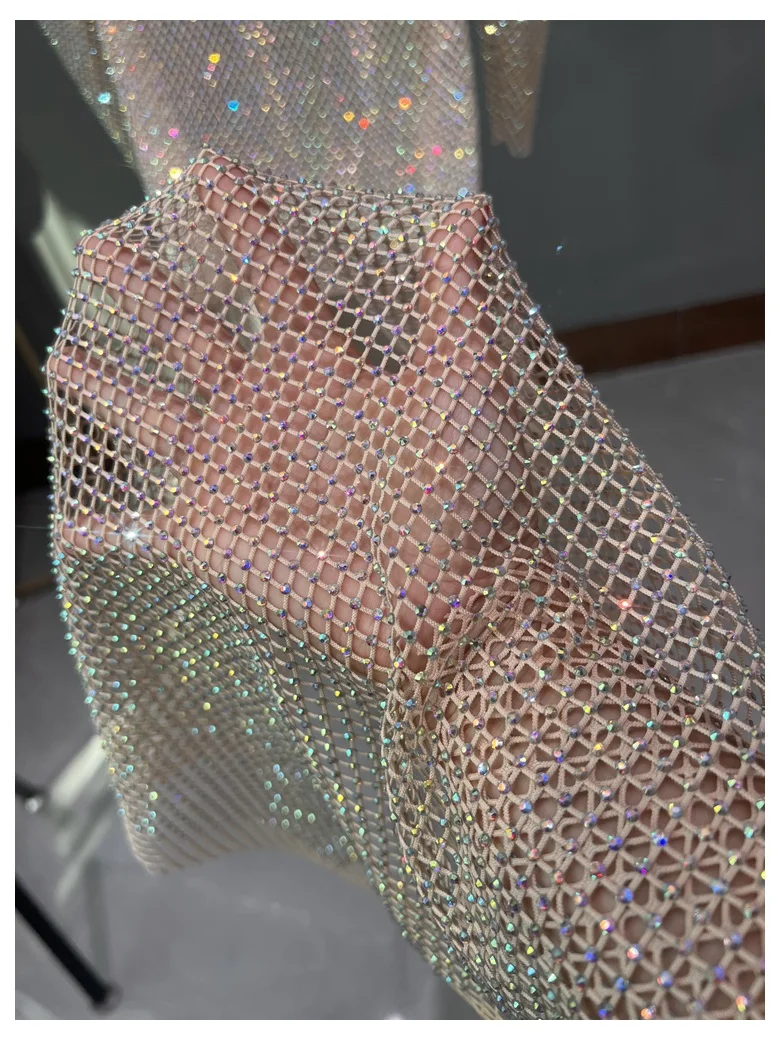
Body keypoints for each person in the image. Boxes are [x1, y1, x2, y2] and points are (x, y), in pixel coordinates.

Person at [44, 21, 764, 1021]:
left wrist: (480, 633)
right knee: (260, 319)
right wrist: (485, 637)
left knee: (379, 308)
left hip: (389, 65)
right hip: (175, 64)